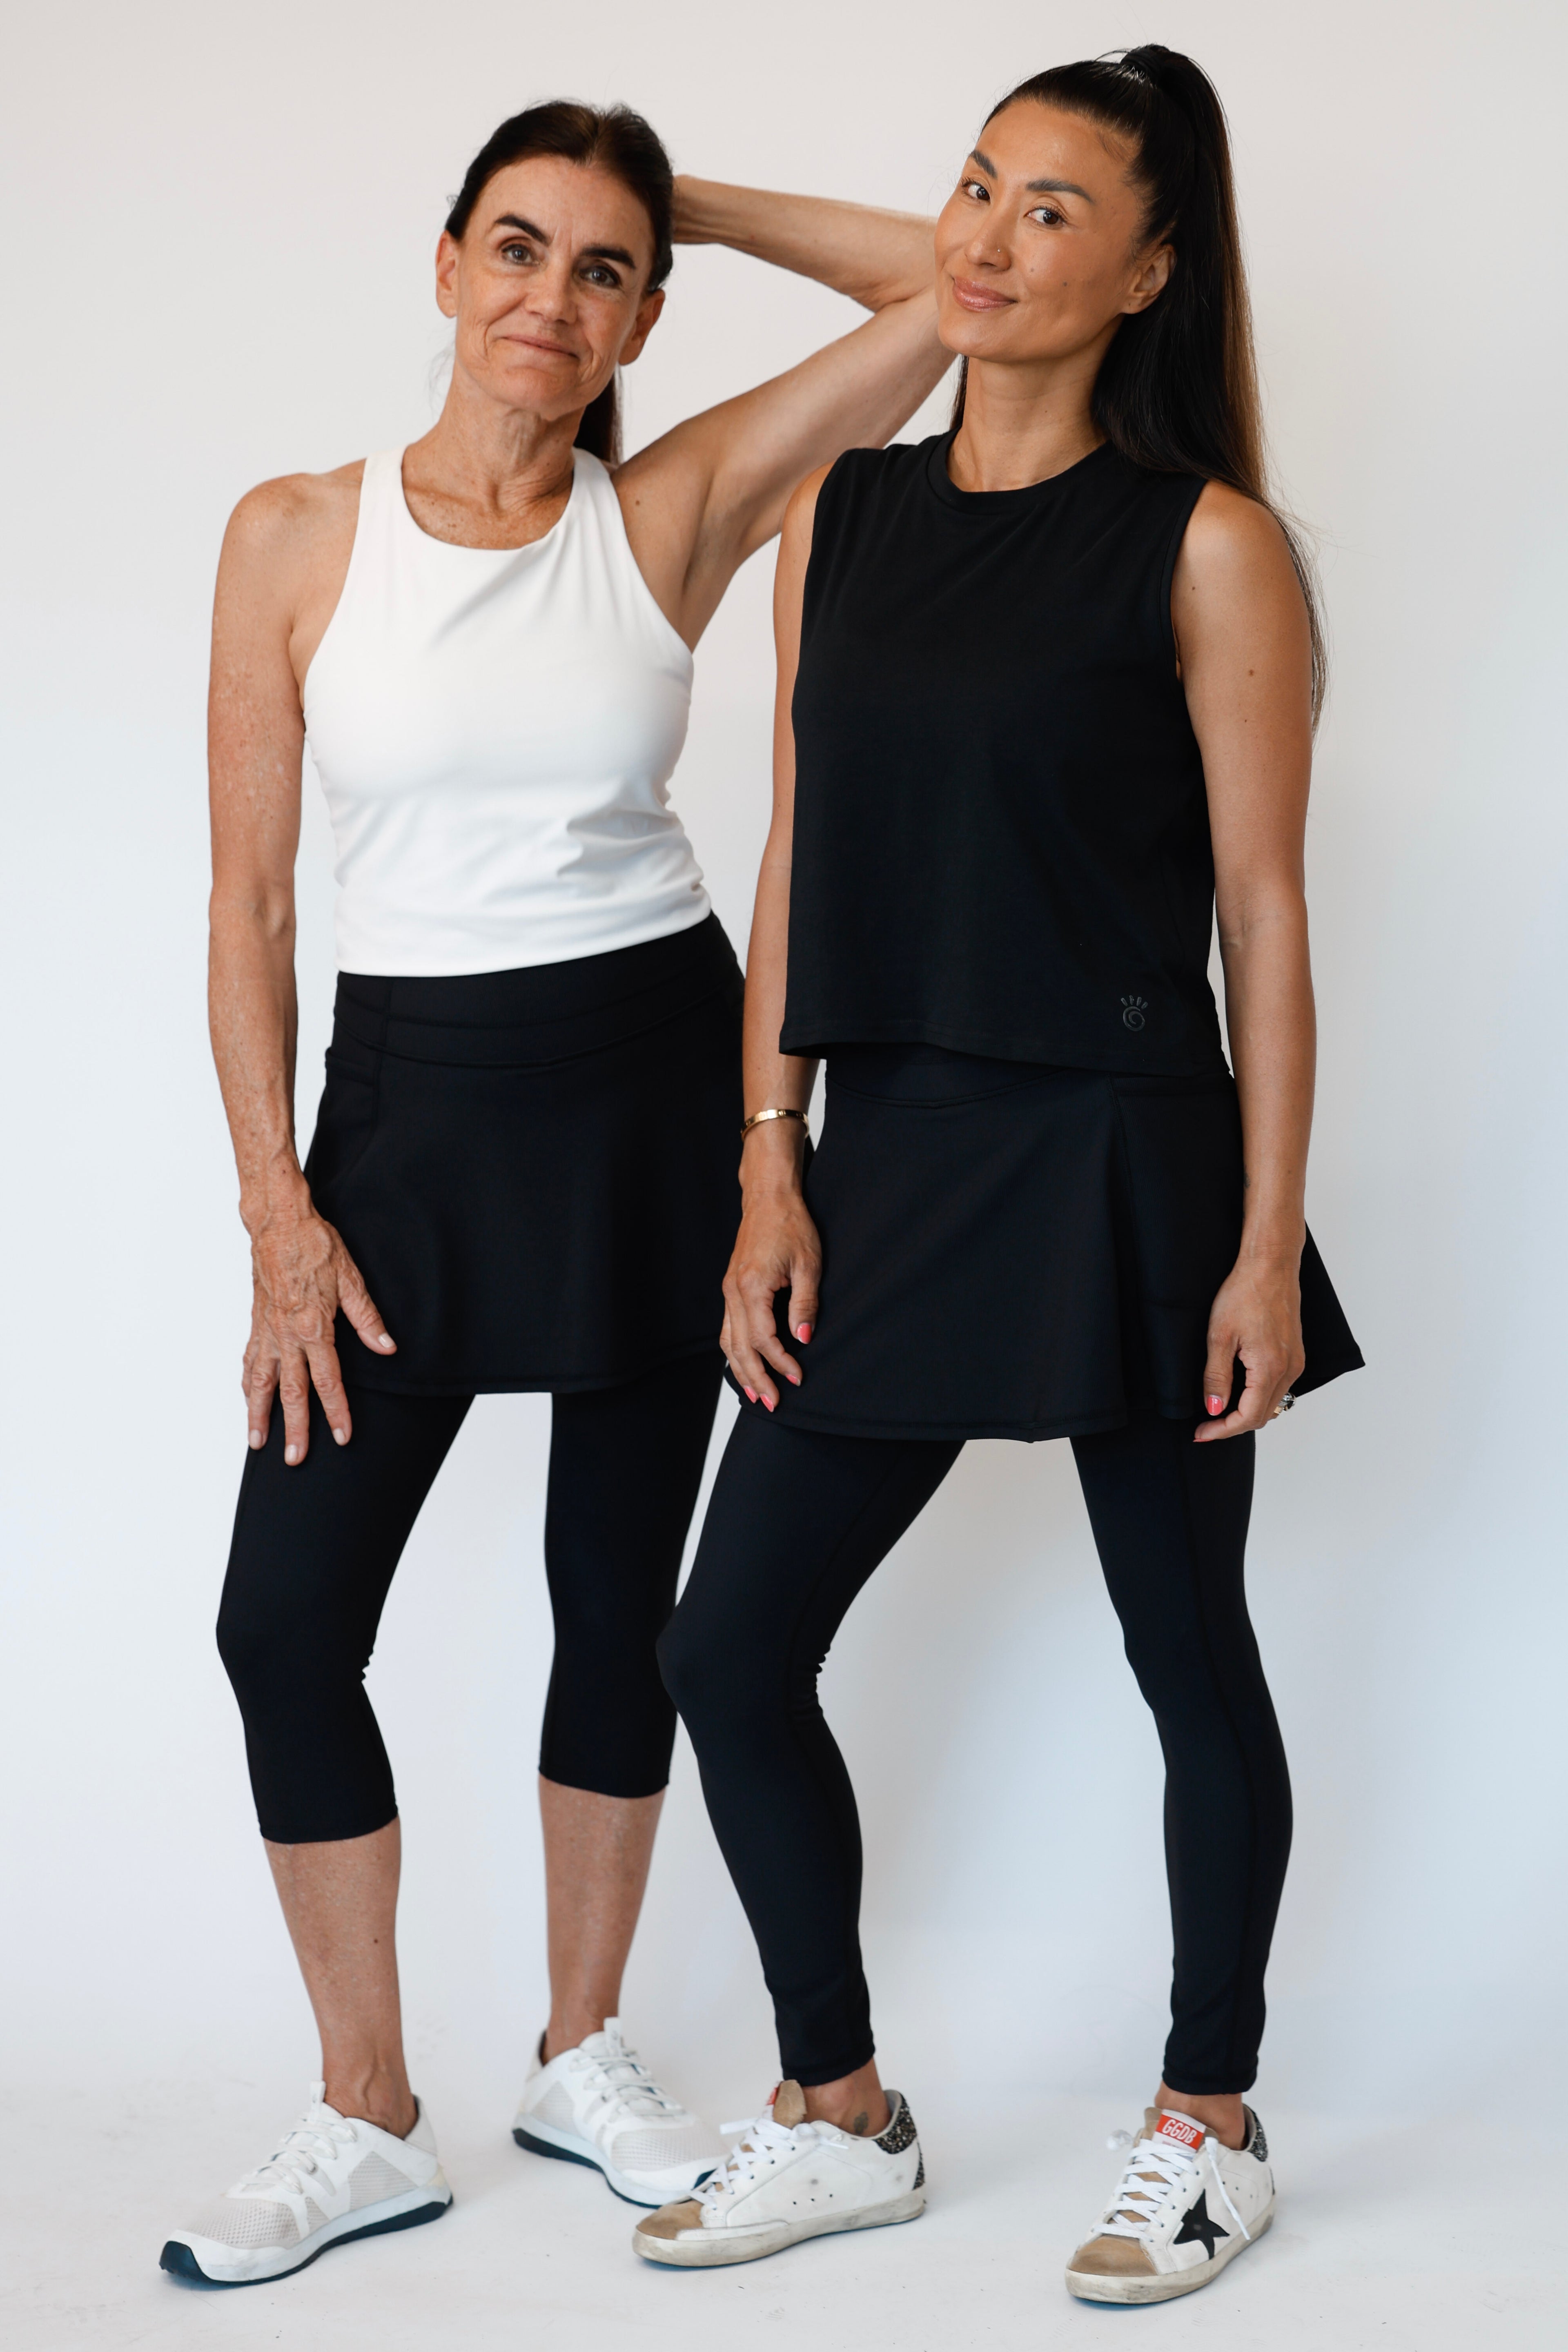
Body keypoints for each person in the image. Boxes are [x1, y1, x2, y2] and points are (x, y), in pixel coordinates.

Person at [161, 101, 947, 2288]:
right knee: (285, 1620)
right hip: (400, 1126)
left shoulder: (670, 508)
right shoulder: (298, 532)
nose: (554, 298)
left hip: (652, 1098)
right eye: (518, 248)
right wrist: (276, 1212)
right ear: (442, 266)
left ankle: (580, 2047)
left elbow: (940, 289)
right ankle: (365, 2105)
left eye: (608, 271)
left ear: (648, 316)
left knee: (623, 1612)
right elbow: (241, 903)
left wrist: (690, 201)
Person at [640, 48, 1361, 2302]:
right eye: (973, 187)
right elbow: (792, 850)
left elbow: (1265, 914)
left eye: (1058, 210)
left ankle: (1206, 2118)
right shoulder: (840, 511)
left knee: (1184, 1648)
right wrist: (773, 1161)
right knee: (728, 1645)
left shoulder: (1211, 544)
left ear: (1152, 271)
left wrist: (1259, 1242)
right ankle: (838, 2108)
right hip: (893, 1149)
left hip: (1131, 1153)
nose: (991, 233)